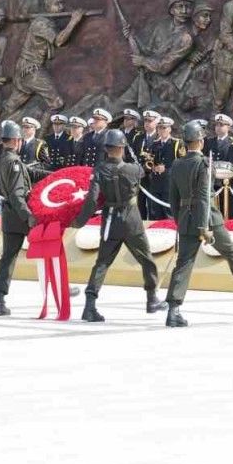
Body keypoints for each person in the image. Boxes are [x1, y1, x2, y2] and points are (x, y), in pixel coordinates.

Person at [165, 120, 233, 327]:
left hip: (186, 218)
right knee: (229, 251)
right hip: (208, 218)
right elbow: (203, 197)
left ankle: (173, 309)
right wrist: (203, 227)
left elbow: (173, 198)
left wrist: (179, 220)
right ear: (201, 141)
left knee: (183, 264)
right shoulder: (203, 163)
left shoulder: (177, 164)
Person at [70, 129, 168, 322]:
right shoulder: (132, 169)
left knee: (102, 263)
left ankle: (90, 305)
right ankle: (151, 299)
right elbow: (142, 170)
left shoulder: (99, 169)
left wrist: (80, 221)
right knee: (146, 260)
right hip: (131, 220)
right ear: (122, 148)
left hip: (110, 220)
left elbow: (92, 200)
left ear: (106, 149)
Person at [0, 121, 33, 317]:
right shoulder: (14, 162)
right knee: (50, 251)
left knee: (7, 258)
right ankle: (60, 289)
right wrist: (29, 217)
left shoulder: (2, 159)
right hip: (20, 217)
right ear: (16, 141)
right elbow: (17, 194)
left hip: (8, 215)